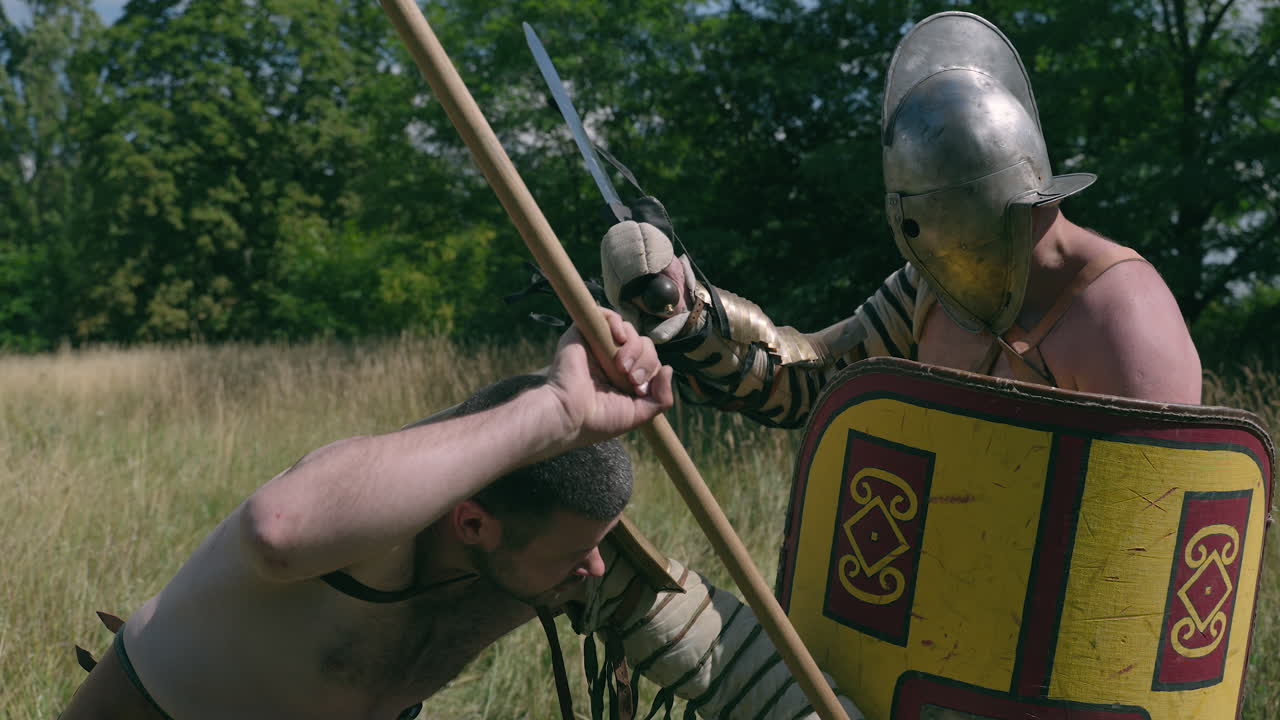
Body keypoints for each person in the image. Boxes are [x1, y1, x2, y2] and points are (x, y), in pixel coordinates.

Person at [599, 11, 1202, 430]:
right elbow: (811, 379)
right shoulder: (928, 291)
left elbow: (1153, 524)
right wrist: (691, 314)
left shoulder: (1121, 315)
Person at [62, 310, 676, 719]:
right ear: (473, 525)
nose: (598, 568)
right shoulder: (368, 517)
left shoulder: (546, 550)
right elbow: (278, 531)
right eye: (577, 554)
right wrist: (555, 412)